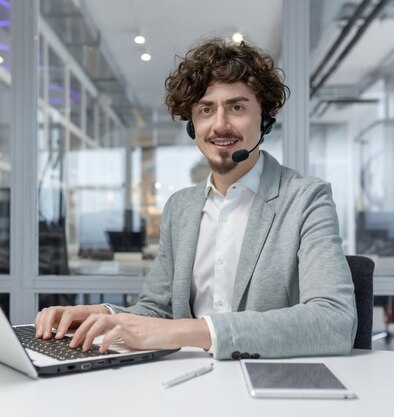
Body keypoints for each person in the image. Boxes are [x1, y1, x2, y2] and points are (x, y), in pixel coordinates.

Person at [35, 38, 357, 359]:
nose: (220, 124)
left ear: (266, 118)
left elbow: (335, 320)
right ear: (192, 125)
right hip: (188, 385)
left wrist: (198, 331)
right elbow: (155, 311)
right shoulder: (181, 208)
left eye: (237, 107)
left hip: (271, 389)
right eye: (206, 109)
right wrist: (104, 315)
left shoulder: (305, 200)